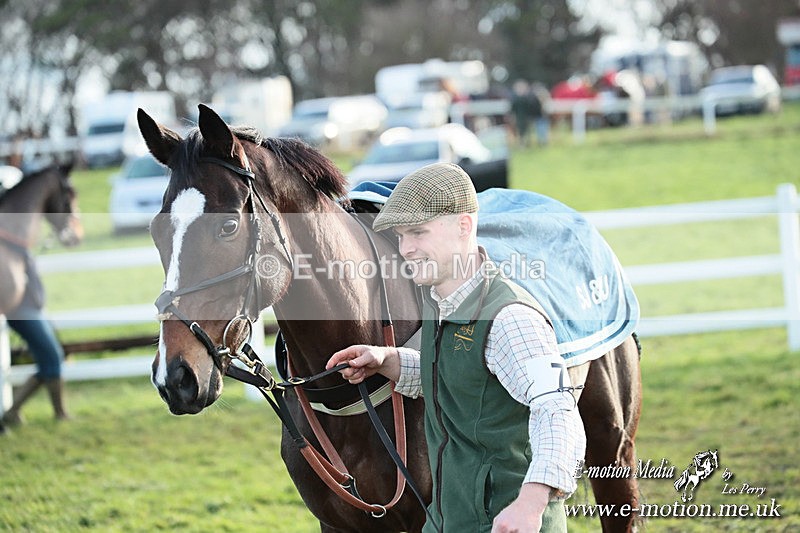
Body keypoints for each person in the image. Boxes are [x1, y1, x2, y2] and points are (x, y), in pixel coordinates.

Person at [327, 163, 586, 532]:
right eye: (401, 236)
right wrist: (389, 360)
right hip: (449, 520)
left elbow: (558, 409)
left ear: (464, 226)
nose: (406, 249)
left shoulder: (511, 319)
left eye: (418, 232)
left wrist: (530, 504)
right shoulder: (440, 302)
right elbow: (463, 378)